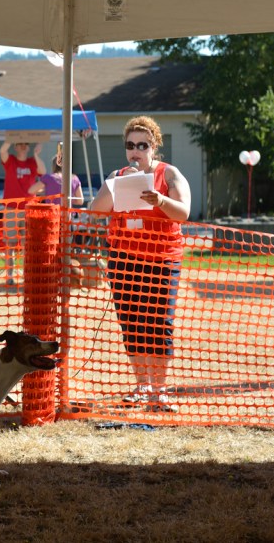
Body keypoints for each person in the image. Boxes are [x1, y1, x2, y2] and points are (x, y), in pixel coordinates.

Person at [89, 116, 191, 413]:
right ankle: (142, 385)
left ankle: (159, 392)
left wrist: (159, 200)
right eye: (130, 145)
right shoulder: (118, 174)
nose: (135, 151)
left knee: (160, 324)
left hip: (162, 260)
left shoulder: (169, 174)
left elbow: (183, 212)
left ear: (154, 146)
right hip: (124, 260)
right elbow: (96, 212)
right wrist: (116, 184)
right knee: (132, 324)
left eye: (142, 145)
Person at [0, 140, 46, 285]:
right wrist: (10, 138)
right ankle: (9, 276)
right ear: (15, 146)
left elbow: (43, 172)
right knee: (10, 244)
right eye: (19, 143)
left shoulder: (32, 162)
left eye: (26, 143)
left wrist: (37, 155)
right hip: (11, 208)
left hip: (29, 208)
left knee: (28, 245)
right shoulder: (11, 161)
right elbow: (2, 152)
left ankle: (28, 275)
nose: (23, 145)